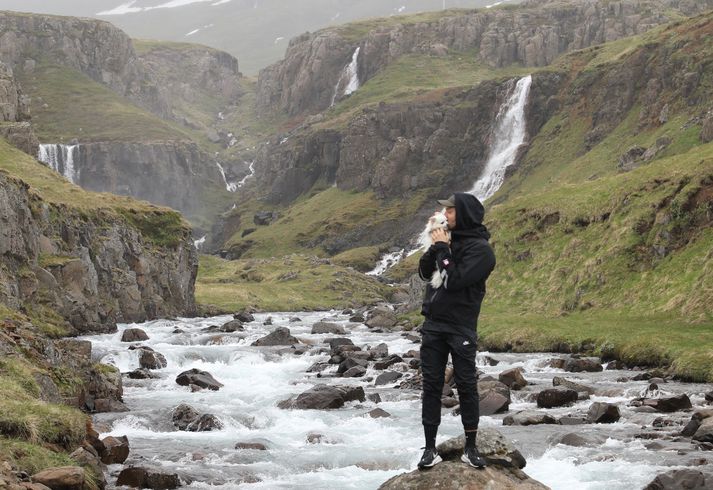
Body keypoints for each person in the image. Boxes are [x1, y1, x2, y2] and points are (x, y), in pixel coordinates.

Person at [416, 192, 496, 470]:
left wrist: (443, 248)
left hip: (461, 326)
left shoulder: (481, 251)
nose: (444, 215)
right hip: (434, 325)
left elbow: (452, 280)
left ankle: (470, 449)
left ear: (463, 214)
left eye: (450, 211)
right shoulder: (447, 241)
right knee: (431, 386)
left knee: (465, 386)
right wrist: (433, 240)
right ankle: (428, 449)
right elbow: (425, 273)